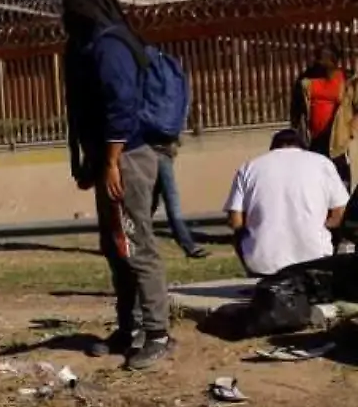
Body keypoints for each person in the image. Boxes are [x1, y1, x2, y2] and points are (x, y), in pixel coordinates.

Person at [61, 0, 174, 371]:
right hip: (108, 159)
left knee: (136, 243)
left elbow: (120, 108)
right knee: (116, 247)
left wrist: (109, 162)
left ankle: (158, 333)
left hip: (126, 158)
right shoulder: (89, 45)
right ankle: (128, 328)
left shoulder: (111, 47)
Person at [224, 129, 349, 277]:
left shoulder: (249, 167)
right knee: (338, 229)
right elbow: (340, 215)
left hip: (263, 264)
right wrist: (316, 225)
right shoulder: (322, 163)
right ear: (303, 147)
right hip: (316, 260)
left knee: (239, 235)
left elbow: (235, 221)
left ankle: (255, 275)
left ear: (272, 149)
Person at [290, 44, 355, 188]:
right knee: (315, 181)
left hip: (336, 141)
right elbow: (296, 109)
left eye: (322, 58)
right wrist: (297, 131)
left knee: (341, 183)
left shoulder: (346, 80)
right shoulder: (306, 80)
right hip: (313, 140)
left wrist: (350, 128)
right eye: (317, 57)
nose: (317, 61)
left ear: (334, 61)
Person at [152, 143, 208, 259]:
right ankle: (189, 245)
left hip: (154, 155)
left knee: (152, 202)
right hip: (161, 155)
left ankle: (131, 240)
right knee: (172, 202)